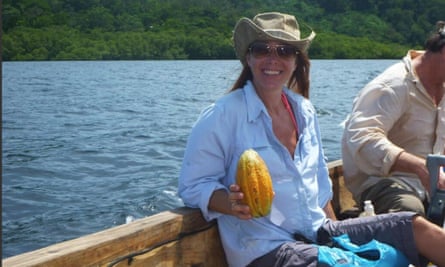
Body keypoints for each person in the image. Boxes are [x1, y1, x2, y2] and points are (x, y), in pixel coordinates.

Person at [178, 12, 445, 267]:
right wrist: (231, 203)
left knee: (415, 228)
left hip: (319, 233)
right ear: (249, 58)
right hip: (266, 248)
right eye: (262, 49)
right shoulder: (223, 115)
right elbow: (193, 186)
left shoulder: (303, 110)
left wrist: (338, 240)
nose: (273, 59)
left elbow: (320, 189)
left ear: (296, 61)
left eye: (284, 50)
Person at [341, 21, 445, 216]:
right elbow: (362, 139)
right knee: (410, 211)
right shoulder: (393, 86)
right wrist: (421, 168)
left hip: (435, 188)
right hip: (384, 184)